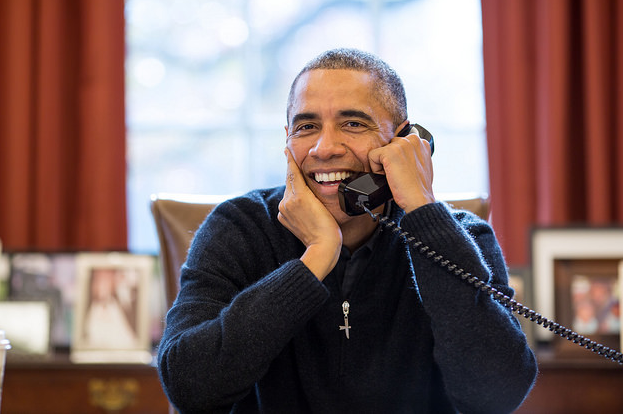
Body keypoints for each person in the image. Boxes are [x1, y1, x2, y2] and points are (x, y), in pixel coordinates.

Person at [157, 48, 538, 413]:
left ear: (404, 141)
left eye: (352, 123)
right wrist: (317, 257)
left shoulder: (459, 237)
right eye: (307, 127)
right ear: (287, 139)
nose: (324, 148)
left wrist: (423, 213)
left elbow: (497, 394)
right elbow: (190, 388)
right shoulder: (239, 228)